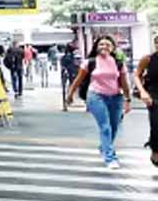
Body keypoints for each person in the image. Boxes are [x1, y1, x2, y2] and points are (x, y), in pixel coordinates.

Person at [66, 36, 132, 169]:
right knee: (105, 127)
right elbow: (79, 80)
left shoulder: (118, 63)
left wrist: (128, 99)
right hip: (96, 96)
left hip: (116, 97)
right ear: (96, 47)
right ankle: (110, 158)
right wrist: (70, 94)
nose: (104, 47)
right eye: (101, 44)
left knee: (114, 127)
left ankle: (104, 147)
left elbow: (124, 83)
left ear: (112, 48)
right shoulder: (90, 62)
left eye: (107, 45)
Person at [133, 34, 158, 167]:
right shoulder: (148, 59)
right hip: (153, 94)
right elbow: (137, 75)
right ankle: (155, 148)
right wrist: (142, 91)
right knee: (156, 123)